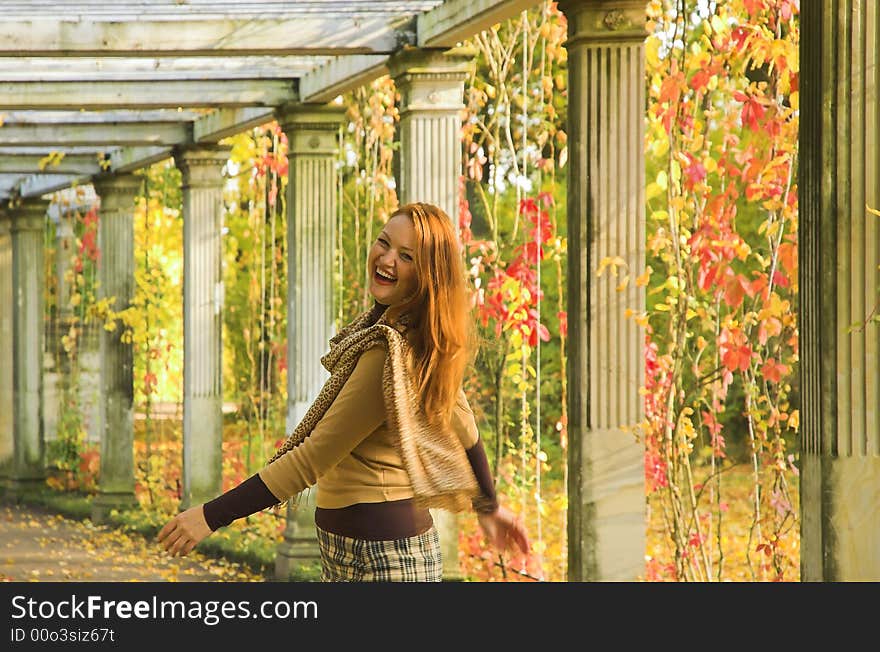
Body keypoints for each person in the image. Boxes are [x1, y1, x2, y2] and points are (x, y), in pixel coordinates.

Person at [157, 202, 530, 581]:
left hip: (385, 560)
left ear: (428, 276)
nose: (386, 259)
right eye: (384, 243)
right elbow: (466, 428)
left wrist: (209, 516)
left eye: (406, 256)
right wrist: (489, 506)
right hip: (361, 551)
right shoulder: (410, 340)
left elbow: (311, 458)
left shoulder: (392, 351)